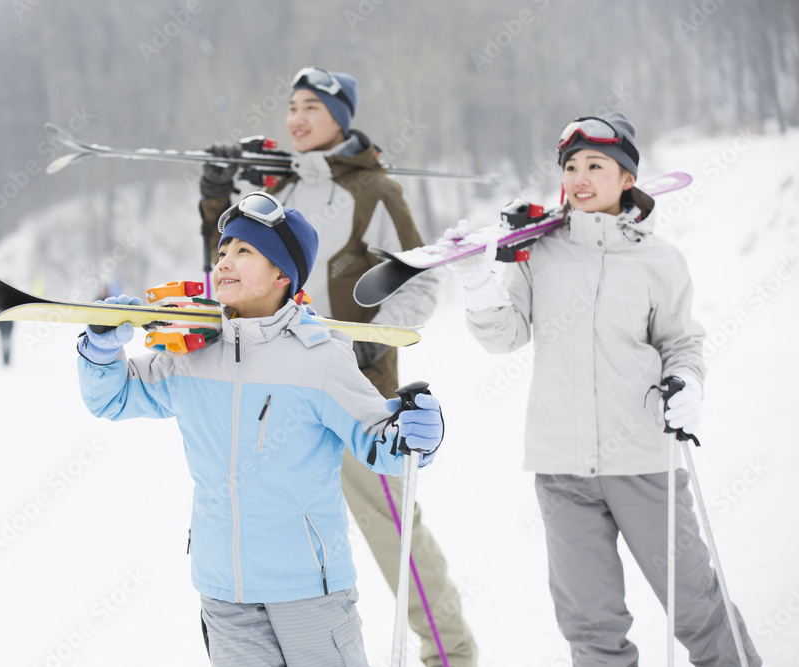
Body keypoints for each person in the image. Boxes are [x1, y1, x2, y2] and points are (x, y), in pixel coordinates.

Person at [77, 193, 446, 667]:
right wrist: (101, 354)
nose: (225, 261)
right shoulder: (190, 353)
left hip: (309, 592)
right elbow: (113, 398)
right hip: (224, 592)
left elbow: (384, 446)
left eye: (244, 251)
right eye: (223, 251)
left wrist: (416, 433)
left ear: (282, 275)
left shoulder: (320, 357)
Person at [453, 112, 762, 666]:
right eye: (571, 166)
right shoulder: (537, 252)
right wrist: (477, 284)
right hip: (561, 469)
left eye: (596, 165)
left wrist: (687, 382)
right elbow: (505, 336)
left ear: (627, 180)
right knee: (589, 623)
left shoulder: (657, 259)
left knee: (695, 604)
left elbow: (681, 342)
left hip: (642, 460)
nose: (579, 177)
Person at [199, 67, 476, 667]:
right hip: (279, 395)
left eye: (311, 108)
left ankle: (450, 655)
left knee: (392, 531)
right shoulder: (282, 193)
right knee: (290, 540)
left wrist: (370, 345)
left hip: (353, 391)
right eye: (291, 107)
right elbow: (227, 282)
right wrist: (217, 198)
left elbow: (421, 279)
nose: (296, 118)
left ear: (340, 118)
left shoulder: (373, 190)